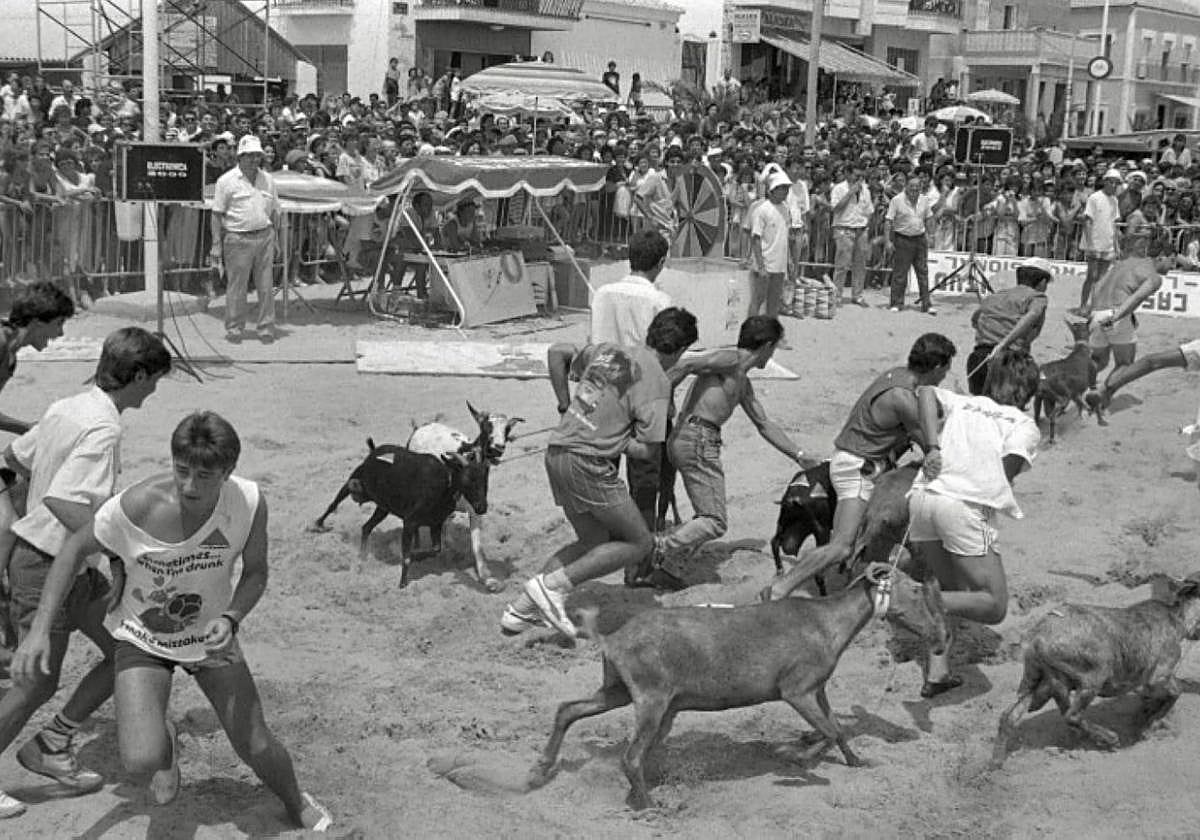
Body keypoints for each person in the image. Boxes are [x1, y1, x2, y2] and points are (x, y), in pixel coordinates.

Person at [12, 412, 333, 830]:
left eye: (204, 475)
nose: (189, 486)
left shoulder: (249, 502)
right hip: (142, 636)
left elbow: (256, 571)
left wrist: (233, 617)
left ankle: (295, 800)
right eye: (182, 471)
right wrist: (38, 631)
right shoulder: (139, 504)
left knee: (254, 742)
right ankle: (166, 749)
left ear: (228, 471)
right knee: (141, 760)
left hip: (209, 636)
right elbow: (73, 547)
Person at [0, 327, 171, 820]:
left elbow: (15, 459)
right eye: (154, 380)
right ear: (136, 375)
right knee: (34, 682)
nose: (154, 390)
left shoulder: (66, 406)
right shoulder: (104, 427)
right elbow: (62, 500)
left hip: (65, 564)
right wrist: (118, 553)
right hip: (49, 564)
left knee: (127, 650)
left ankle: (51, 743)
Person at [500, 307, 698, 638]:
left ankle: (521, 610)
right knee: (639, 542)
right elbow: (646, 451)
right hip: (587, 463)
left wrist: (565, 405)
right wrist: (617, 440)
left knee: (594, 540)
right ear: (680, 351)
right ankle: (551, 587)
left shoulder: (607, 350)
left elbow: (557, 353)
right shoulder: (658, 382)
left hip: (557, 452)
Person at [762, 333, 957, 601]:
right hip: (857, 469)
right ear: (937, 367)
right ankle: (780, 589)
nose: (946, 375)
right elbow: (929, 442)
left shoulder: (899, 375)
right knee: (842, 546)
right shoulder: (903, 399)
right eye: (946, 368)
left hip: (859, 461)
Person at [909, 350, 1041, 697]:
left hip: (923, 499)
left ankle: (937, 673)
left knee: (950, 593)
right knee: (993, 605)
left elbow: (924, 391)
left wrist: (932, 447)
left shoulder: (964, 402)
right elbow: (1005, 473)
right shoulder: (1023, 424)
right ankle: (911, 599)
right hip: (962, 507)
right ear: (1028, 390)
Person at [652, 316, 818, 580]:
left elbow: (764, 424)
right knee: (714, 521)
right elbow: (686, 364)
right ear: (766, 346)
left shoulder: (742, 380)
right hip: (698, 439)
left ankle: (669, 569)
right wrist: (659, 403)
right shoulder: (732, 359)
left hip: (691, 438)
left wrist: (799, 456)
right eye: (773, 348)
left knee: (705, 514)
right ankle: (657, 547)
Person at [1083, 237, 1177, 416]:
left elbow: (1097, 286)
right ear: (1161, 256)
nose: (1172, 266)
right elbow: (1136, 299)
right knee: (1125, 363)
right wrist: (1117, 317)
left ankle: (1076, 386)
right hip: (1116, 316)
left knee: (1098, 361)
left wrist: (1093, 311)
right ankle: (1101, 394)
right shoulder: (1154, 277)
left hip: (1096, 313)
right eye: (1172, 261)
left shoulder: (1124, 263)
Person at [211, 135, 280, 345]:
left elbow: (275, 211)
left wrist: (276, 238)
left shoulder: (268, 179)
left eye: (257, 155)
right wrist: (216, 244)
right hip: (237, 238)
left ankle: (266, 327)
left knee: (266, 285)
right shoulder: (226, 181)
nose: (253, 159)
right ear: (240, 156)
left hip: (265, 235)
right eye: (249, 155)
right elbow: (216, 213)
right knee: (237, 286)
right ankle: (234, 327)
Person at [965, 257, 1052, 395]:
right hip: (1009, 361)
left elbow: (975, 320)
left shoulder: (996, 296)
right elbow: (1033, 314)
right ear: (1042, 282)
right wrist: (1004, 343)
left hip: (978, 358)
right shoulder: (1037, 297)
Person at [589, 229, 672, 347]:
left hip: (601, 363)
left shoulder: (601, 293)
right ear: (661, 262)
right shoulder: (659, 301)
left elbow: (593, 339)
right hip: (638, 364)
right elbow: (663, 353)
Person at [884, 175, 935, 314]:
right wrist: (888, 240)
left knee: (923, 273)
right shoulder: (896, 200)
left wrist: (932, 235)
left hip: (920, 239)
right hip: (902, 239)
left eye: (917, 186)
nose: (914, 189)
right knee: (900, 273)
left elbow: (929, 218)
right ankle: (896, 303)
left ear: (921, 188)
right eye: (911, 186)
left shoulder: (924, 200)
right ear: (906, 186)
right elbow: (888, 221)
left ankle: (926, 304)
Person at [748, 171, 792, 318]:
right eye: (782, 188)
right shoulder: (762, 210)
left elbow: (785, 236)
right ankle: (752, 332)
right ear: (772, 190)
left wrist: (789, 260)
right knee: (758, 300)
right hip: (765, 263)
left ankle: (771, 334)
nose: (785, 192)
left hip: (779, 264)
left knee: (774, 301)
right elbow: (755, 239)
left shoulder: (785, 209)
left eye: (786, 188)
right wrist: (760, 266)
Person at [1078, 169, 1122, 312]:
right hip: (1095, 243)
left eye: (1117, 183)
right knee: (1091, 276)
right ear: (1105, 181)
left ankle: (1095, 305)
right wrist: (1090, 244)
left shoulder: (1114, 200)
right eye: (1112, 182)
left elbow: (1114, 224)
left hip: (1108, 244)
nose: (1114, 185)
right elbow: (1088, 221)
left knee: (1102, 279)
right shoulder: (1095, 197)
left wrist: (1116, 246)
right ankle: (1083, 305)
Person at [831, 161, 873, 307]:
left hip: (861, 229)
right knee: (841, 265)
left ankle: (858, 295)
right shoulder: (838, 188)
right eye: (856, 175)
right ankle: (836, 296)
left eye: (861, 176)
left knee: (860, 265)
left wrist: (866, 227)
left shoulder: (865, 190)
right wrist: (850, 193)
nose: (859, 178)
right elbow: (836, 209)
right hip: (844, 229)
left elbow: (869, 210)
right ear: (848, 173)